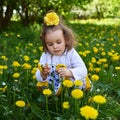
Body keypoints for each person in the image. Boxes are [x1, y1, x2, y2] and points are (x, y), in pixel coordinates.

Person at [36, 11, 91, 95]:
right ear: (45, 44)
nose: (55, 47)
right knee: (42, 84)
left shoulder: (71, 52)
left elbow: (83, 70)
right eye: (50, 44)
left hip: (71, 85)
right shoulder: (45, 56)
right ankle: (56, 95)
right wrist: (43, 74)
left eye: (58, 42)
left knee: (79, 81)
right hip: (54, 84)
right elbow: (38, 75)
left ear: (65, 39)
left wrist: (70, 72)